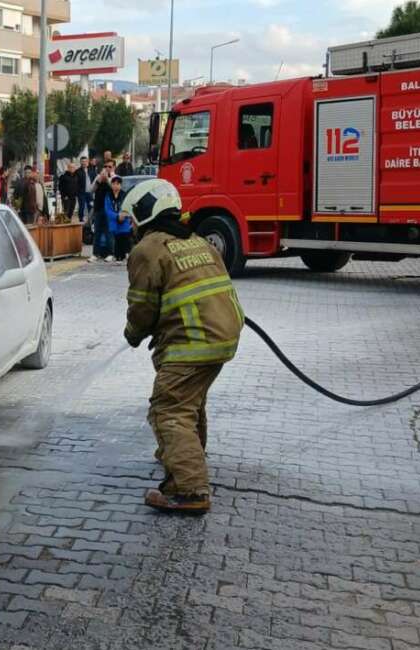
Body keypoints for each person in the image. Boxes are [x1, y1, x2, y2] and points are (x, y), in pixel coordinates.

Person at [121, 178, 244, 514]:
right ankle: (183, 460)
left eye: (133, 218)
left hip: (192, 342)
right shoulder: (199, 242)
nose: (131, 226)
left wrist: (133, 333)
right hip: (222, 335)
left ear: (147, 212)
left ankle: (190, 489)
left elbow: (142, 306)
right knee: (189, 403)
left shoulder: (148, 250)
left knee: (169, 409)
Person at [105, 176, 132, 262]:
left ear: (121, 185)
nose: (116, 186)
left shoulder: (124, 195)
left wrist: (123, 215)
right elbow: (107, 209)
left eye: (118, 184)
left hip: (124, 221)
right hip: (114, 221)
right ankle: (117, 256)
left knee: (125, 238)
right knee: (116, 239)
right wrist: (117, 216)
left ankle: (125, 254)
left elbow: (127, 207)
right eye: (114, 184)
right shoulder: (108, 195)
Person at [74, 156, 91, 222]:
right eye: (82, 162)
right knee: (82, 206)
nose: (84, 163)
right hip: (81, 192)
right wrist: (77, 191)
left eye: (85, 161)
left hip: (90, 192)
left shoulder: (91, 170)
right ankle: (81, 219)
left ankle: (90, 219)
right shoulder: (78, 171)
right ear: (80, 162)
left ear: (87, 162)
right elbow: (76, 183)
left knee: (90, 206)